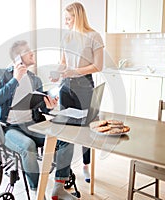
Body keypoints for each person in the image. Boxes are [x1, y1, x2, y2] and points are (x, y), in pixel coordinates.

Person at [0, 40, 78, 200]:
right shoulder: (1, 74)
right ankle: (39, 193)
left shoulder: (34, 79)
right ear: (18, 57)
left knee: (66, 139)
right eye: (28, 51)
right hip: (10, 128)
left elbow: (40, 106)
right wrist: (15, 79)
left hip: (34, 125)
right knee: (28, 146)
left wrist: (49, 105)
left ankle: (58, 188)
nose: (32, 53)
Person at [51, 2, 104, 183]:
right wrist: (57, 72)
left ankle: (86, 166)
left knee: (86, 129)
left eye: (68, 18)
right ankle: (63, 171)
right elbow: (63, 62)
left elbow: (98, 66)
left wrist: (75, 71)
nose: (65, 22)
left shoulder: (93, 36)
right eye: (64, 19)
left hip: (84, 87)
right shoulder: (67, 37)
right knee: (64, 127)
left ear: (78, 17)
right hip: (66, 86)